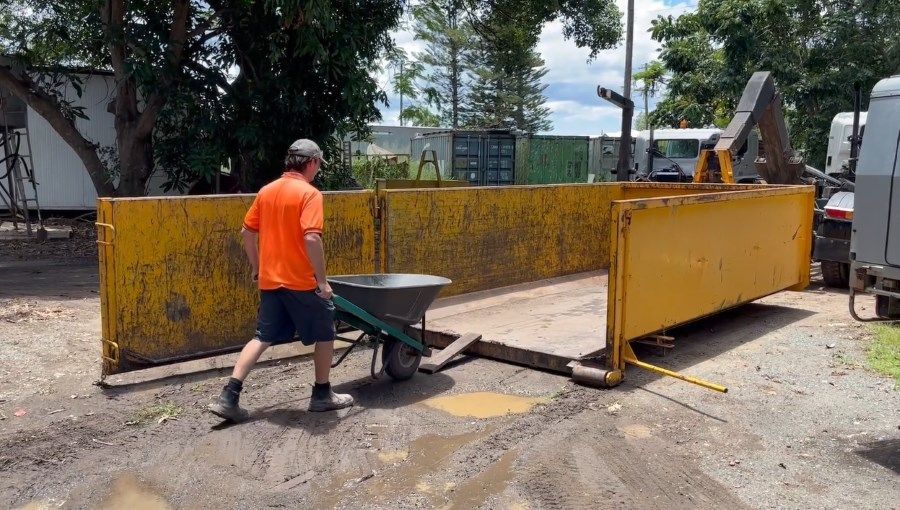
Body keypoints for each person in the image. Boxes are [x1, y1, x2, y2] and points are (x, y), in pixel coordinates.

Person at [208, 139, 354, 422]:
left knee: (261, 337)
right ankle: (322, 394)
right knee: (325, 333)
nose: (318, 171)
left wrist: (257, 268)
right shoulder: (309, 194)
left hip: (271, 281)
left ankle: (228, 396)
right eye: (318, 166)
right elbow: (311, 237)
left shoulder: (267, 191)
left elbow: (246, 233)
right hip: (301, 282)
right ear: (311, 163)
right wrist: (322, 282)